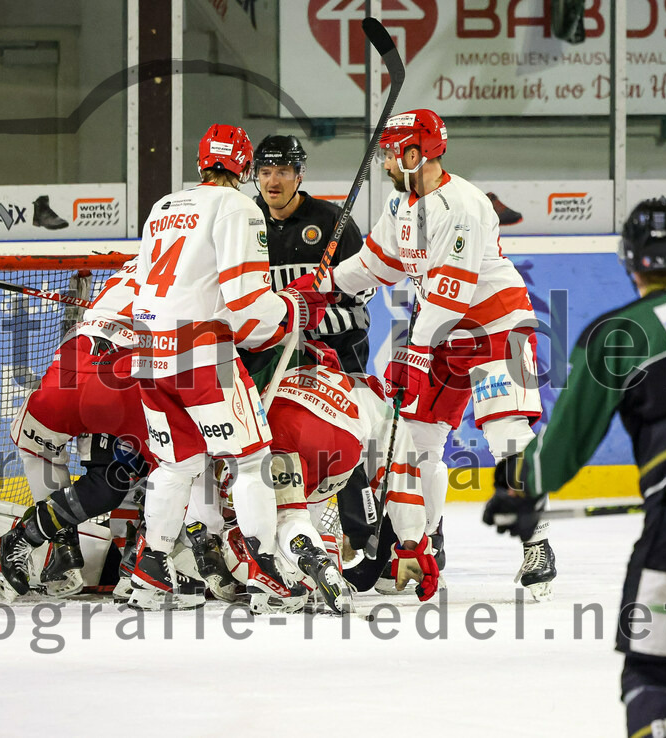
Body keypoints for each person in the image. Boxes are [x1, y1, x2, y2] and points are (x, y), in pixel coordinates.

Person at [292, 108, 556, 600]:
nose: (385, 163)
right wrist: (326, 283)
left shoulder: (466, 205)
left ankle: (537, 543)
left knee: (506, 434)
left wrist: (414, 351)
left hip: (499, 328)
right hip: (441, 334)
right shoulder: (400, 205)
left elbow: (453, 291)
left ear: (415, 153)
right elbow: (375, 262)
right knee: (415, 440)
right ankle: (424, 541)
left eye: (392, 154)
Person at [484, 197, 666, 738]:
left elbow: (565, 446)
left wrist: (521, 491)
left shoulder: (620, 333)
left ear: (628, 259)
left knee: (652, 676)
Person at [127, 123, 335, 611]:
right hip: (200, 351)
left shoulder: (162, 206)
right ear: (243, 168)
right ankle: (264, 569)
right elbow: (245, 307)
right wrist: (294, 308)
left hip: (148, 349)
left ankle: (150, 568)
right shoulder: (240, 207)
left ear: (202, 163)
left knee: (175, 463)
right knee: (251, 459)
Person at [0, 259, 153, 598]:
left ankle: (56, 544)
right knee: (174, 470)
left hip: (75, 363)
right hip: (128, 379)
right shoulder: (201, 271)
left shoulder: (137, 261)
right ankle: (144, 559)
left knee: (41, 447)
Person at [249, 133, 378, 562]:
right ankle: (274, 532)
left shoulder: (330, 222)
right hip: (275, 354)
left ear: (299, 174)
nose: (273, 182)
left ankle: (363, 538)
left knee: (347, 441)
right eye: (265, 172)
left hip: (339, 349)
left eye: (282, 171)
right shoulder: (246, 222)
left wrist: (312, 321)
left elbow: (365, 295)